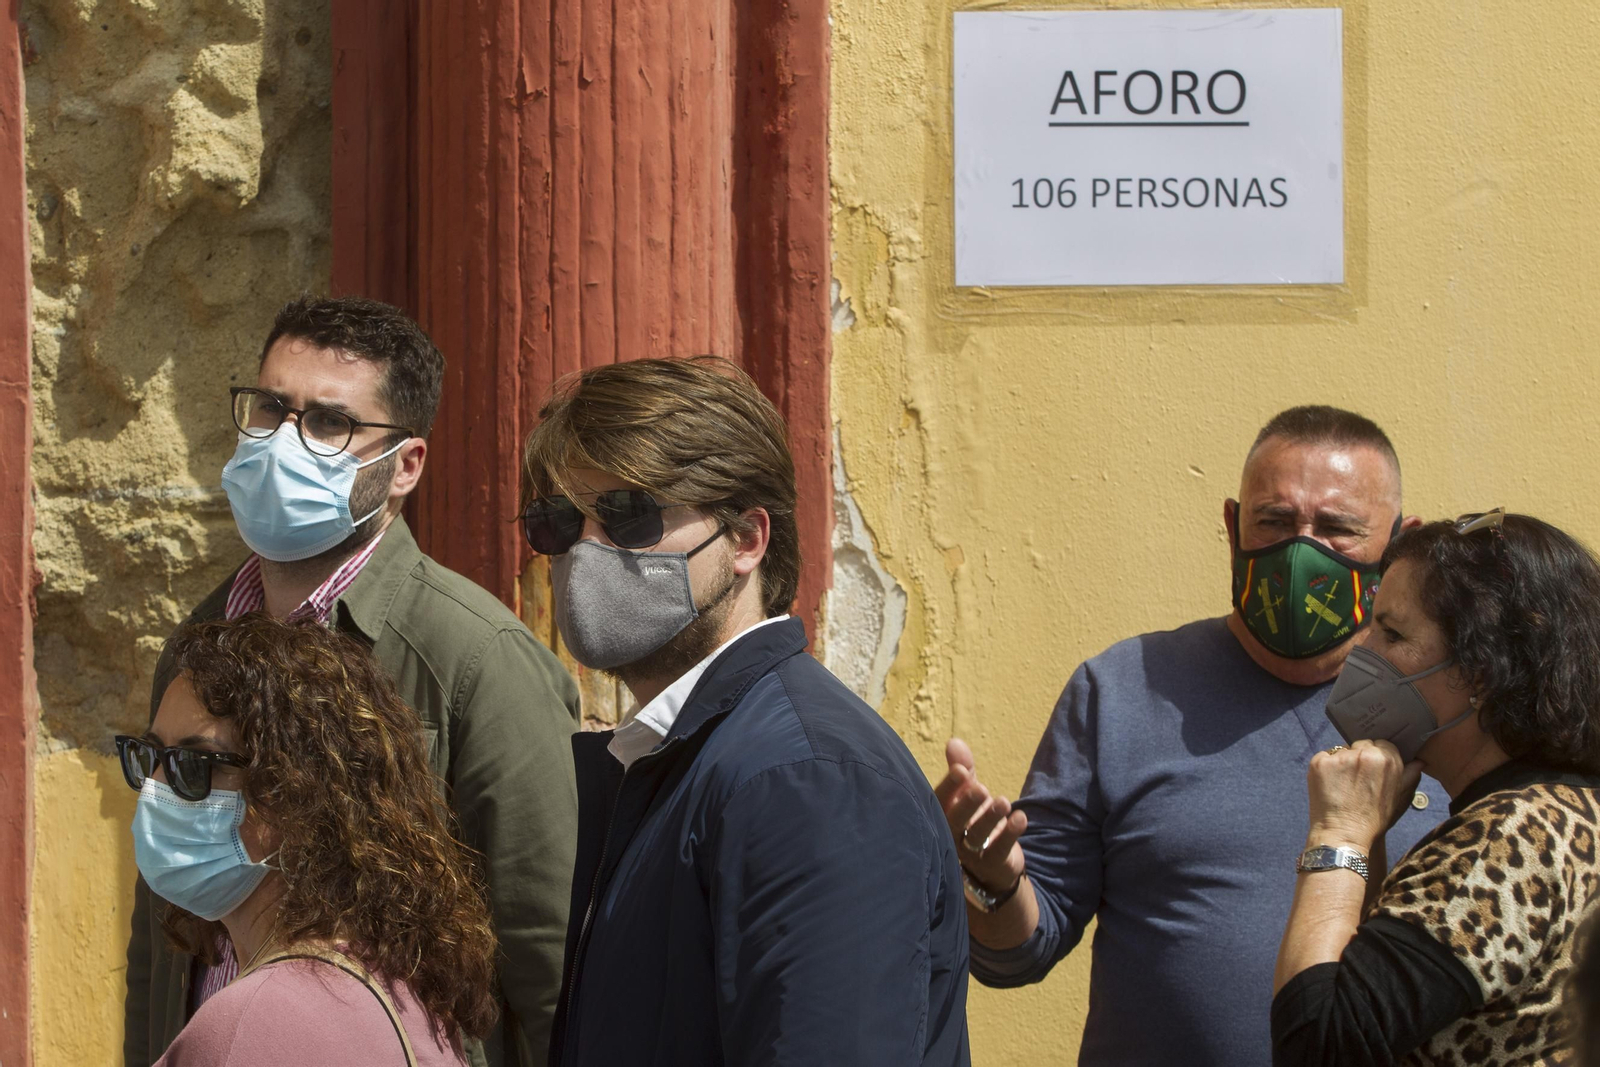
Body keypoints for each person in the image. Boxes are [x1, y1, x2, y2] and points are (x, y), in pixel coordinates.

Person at [124, 296, 580, 1067]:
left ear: (405, 465)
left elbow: (548, 968)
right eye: (271, 407)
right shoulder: (200, 642)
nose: (284, 442)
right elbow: (161, 930)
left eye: (330, 423)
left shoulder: (475, 656)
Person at [936, 406, 1449, 1066]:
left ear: (1398, 547)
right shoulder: (1121, 690)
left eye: (1337, 529)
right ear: (1233, 526)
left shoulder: (1444, 708)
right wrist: (993, 881)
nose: (1301, 551)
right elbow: (1014, 955)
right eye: (1275, 520)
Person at [522, 357, 970, 1066]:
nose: (586, 550)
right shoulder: (680, 756)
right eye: (557, 524)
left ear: (747, 539)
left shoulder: (806, 779)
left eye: (629, 514)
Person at [1272, 510, 1600, 1065]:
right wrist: (1371, 840)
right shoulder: (1570, 808)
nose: (1360, 650)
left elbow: (1319, 1043)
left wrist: (1339, 832)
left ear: (1483, 671)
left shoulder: (1511, 835)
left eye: (1393, 633)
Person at [119, 615, 496, 1066]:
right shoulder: (395, 990)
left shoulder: (248, 1027)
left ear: (298, 794)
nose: (155, 787)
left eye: (195, 764)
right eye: (152, 756)